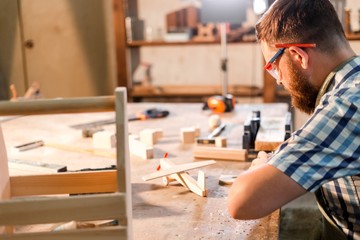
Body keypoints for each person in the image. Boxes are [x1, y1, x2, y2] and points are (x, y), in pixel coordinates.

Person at [227, 0, 360, 239]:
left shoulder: (348, 106)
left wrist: (262, 167)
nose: (278, 80)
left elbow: (242, 201)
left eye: (274, 67)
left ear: (298, 55)